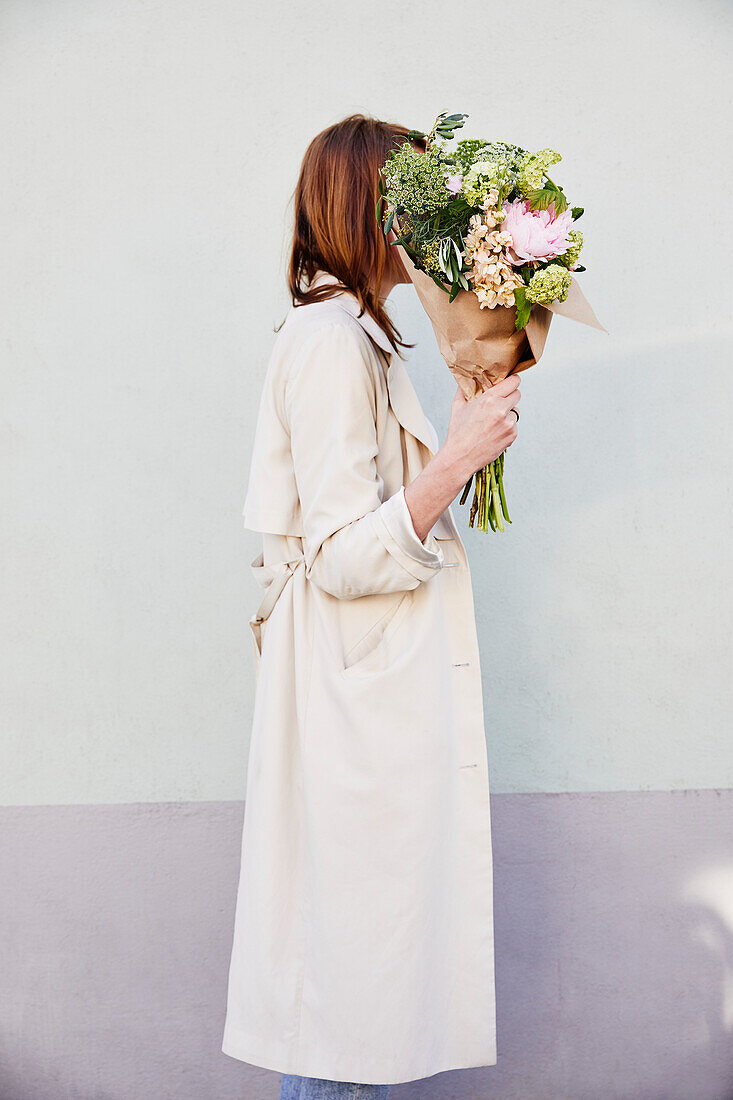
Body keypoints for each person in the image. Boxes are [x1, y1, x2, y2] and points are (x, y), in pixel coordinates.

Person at [221, 115, 521, 1100]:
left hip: (368, 707)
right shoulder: (326, 344)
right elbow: (346, 555)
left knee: (360, 1006)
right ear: (367, 206)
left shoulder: (359, 336)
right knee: (345, 1014)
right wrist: (454, 459)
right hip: (350, 714)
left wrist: (464, 441)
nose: (429, 225)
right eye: (414, 201)